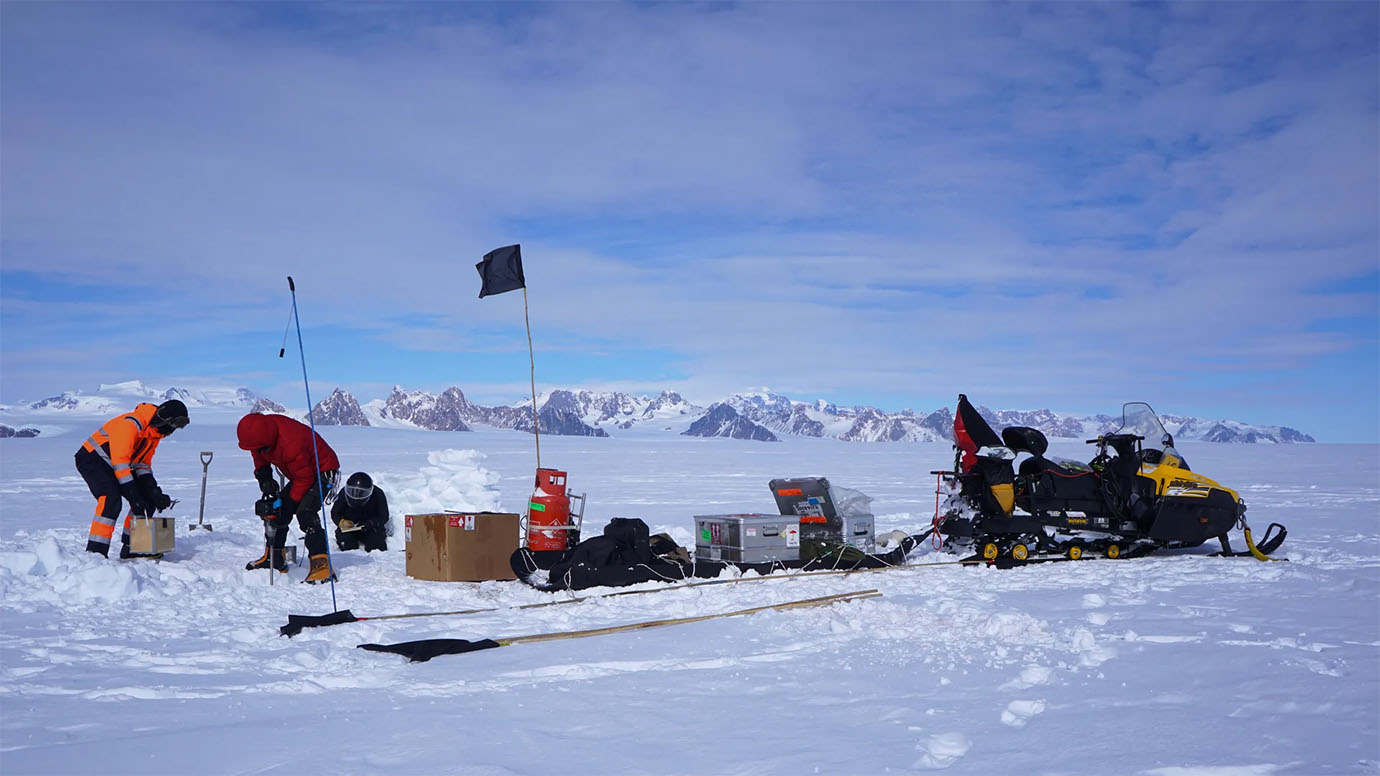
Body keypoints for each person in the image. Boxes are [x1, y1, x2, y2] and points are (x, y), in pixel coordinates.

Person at [75, 400, 189, 559]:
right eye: (172, 426)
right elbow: (121, 465)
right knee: (110, 499)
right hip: (93, 460)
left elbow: (142, 465)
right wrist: (133, 495)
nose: (171, 432)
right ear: (163, 418)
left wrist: (154, 492)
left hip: (118, 464)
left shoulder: (154, 435)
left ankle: (134, 548)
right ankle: (96, 553)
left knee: (147, 501)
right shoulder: (130, 424)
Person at [235, 413, 340, 583]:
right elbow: (257, 452)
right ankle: (274, 558)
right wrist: (264, 476)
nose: (259, 451)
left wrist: (289, 505)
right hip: (301, 473)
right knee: (276, 510)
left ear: (268, 441)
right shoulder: (260, 437)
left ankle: (322, 565)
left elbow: (305, 479)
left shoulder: (291, 443)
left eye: (262, 448)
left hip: (323, 471)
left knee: (305, 512)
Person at [330, 472, 390, 552]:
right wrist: (341, 522)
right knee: (347, 547)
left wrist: (370, 523)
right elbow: (335, 513)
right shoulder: (343, 494)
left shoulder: (378, 494)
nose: (356, 496)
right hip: (349, 528)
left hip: (371, 528)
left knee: (377, 547)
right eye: (352, 491)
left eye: (362, 493)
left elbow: (383, 515)